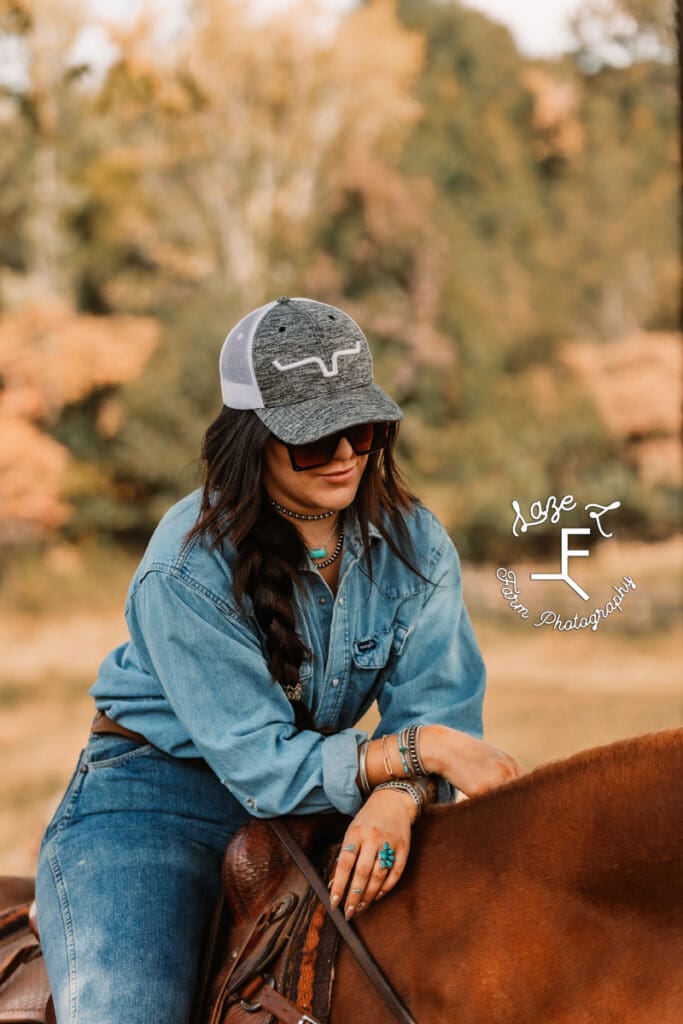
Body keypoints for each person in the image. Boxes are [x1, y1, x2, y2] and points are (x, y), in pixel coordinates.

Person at [35, 296, 524, 1024]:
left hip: (341, 790)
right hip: (155, 801)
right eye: (312, 441)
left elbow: (438, 697)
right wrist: (416, 753)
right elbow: (264, 763)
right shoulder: (183, 570)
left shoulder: (415, 544)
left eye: (362, 431)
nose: (345, 457)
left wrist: (399, 796)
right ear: (250, 439)